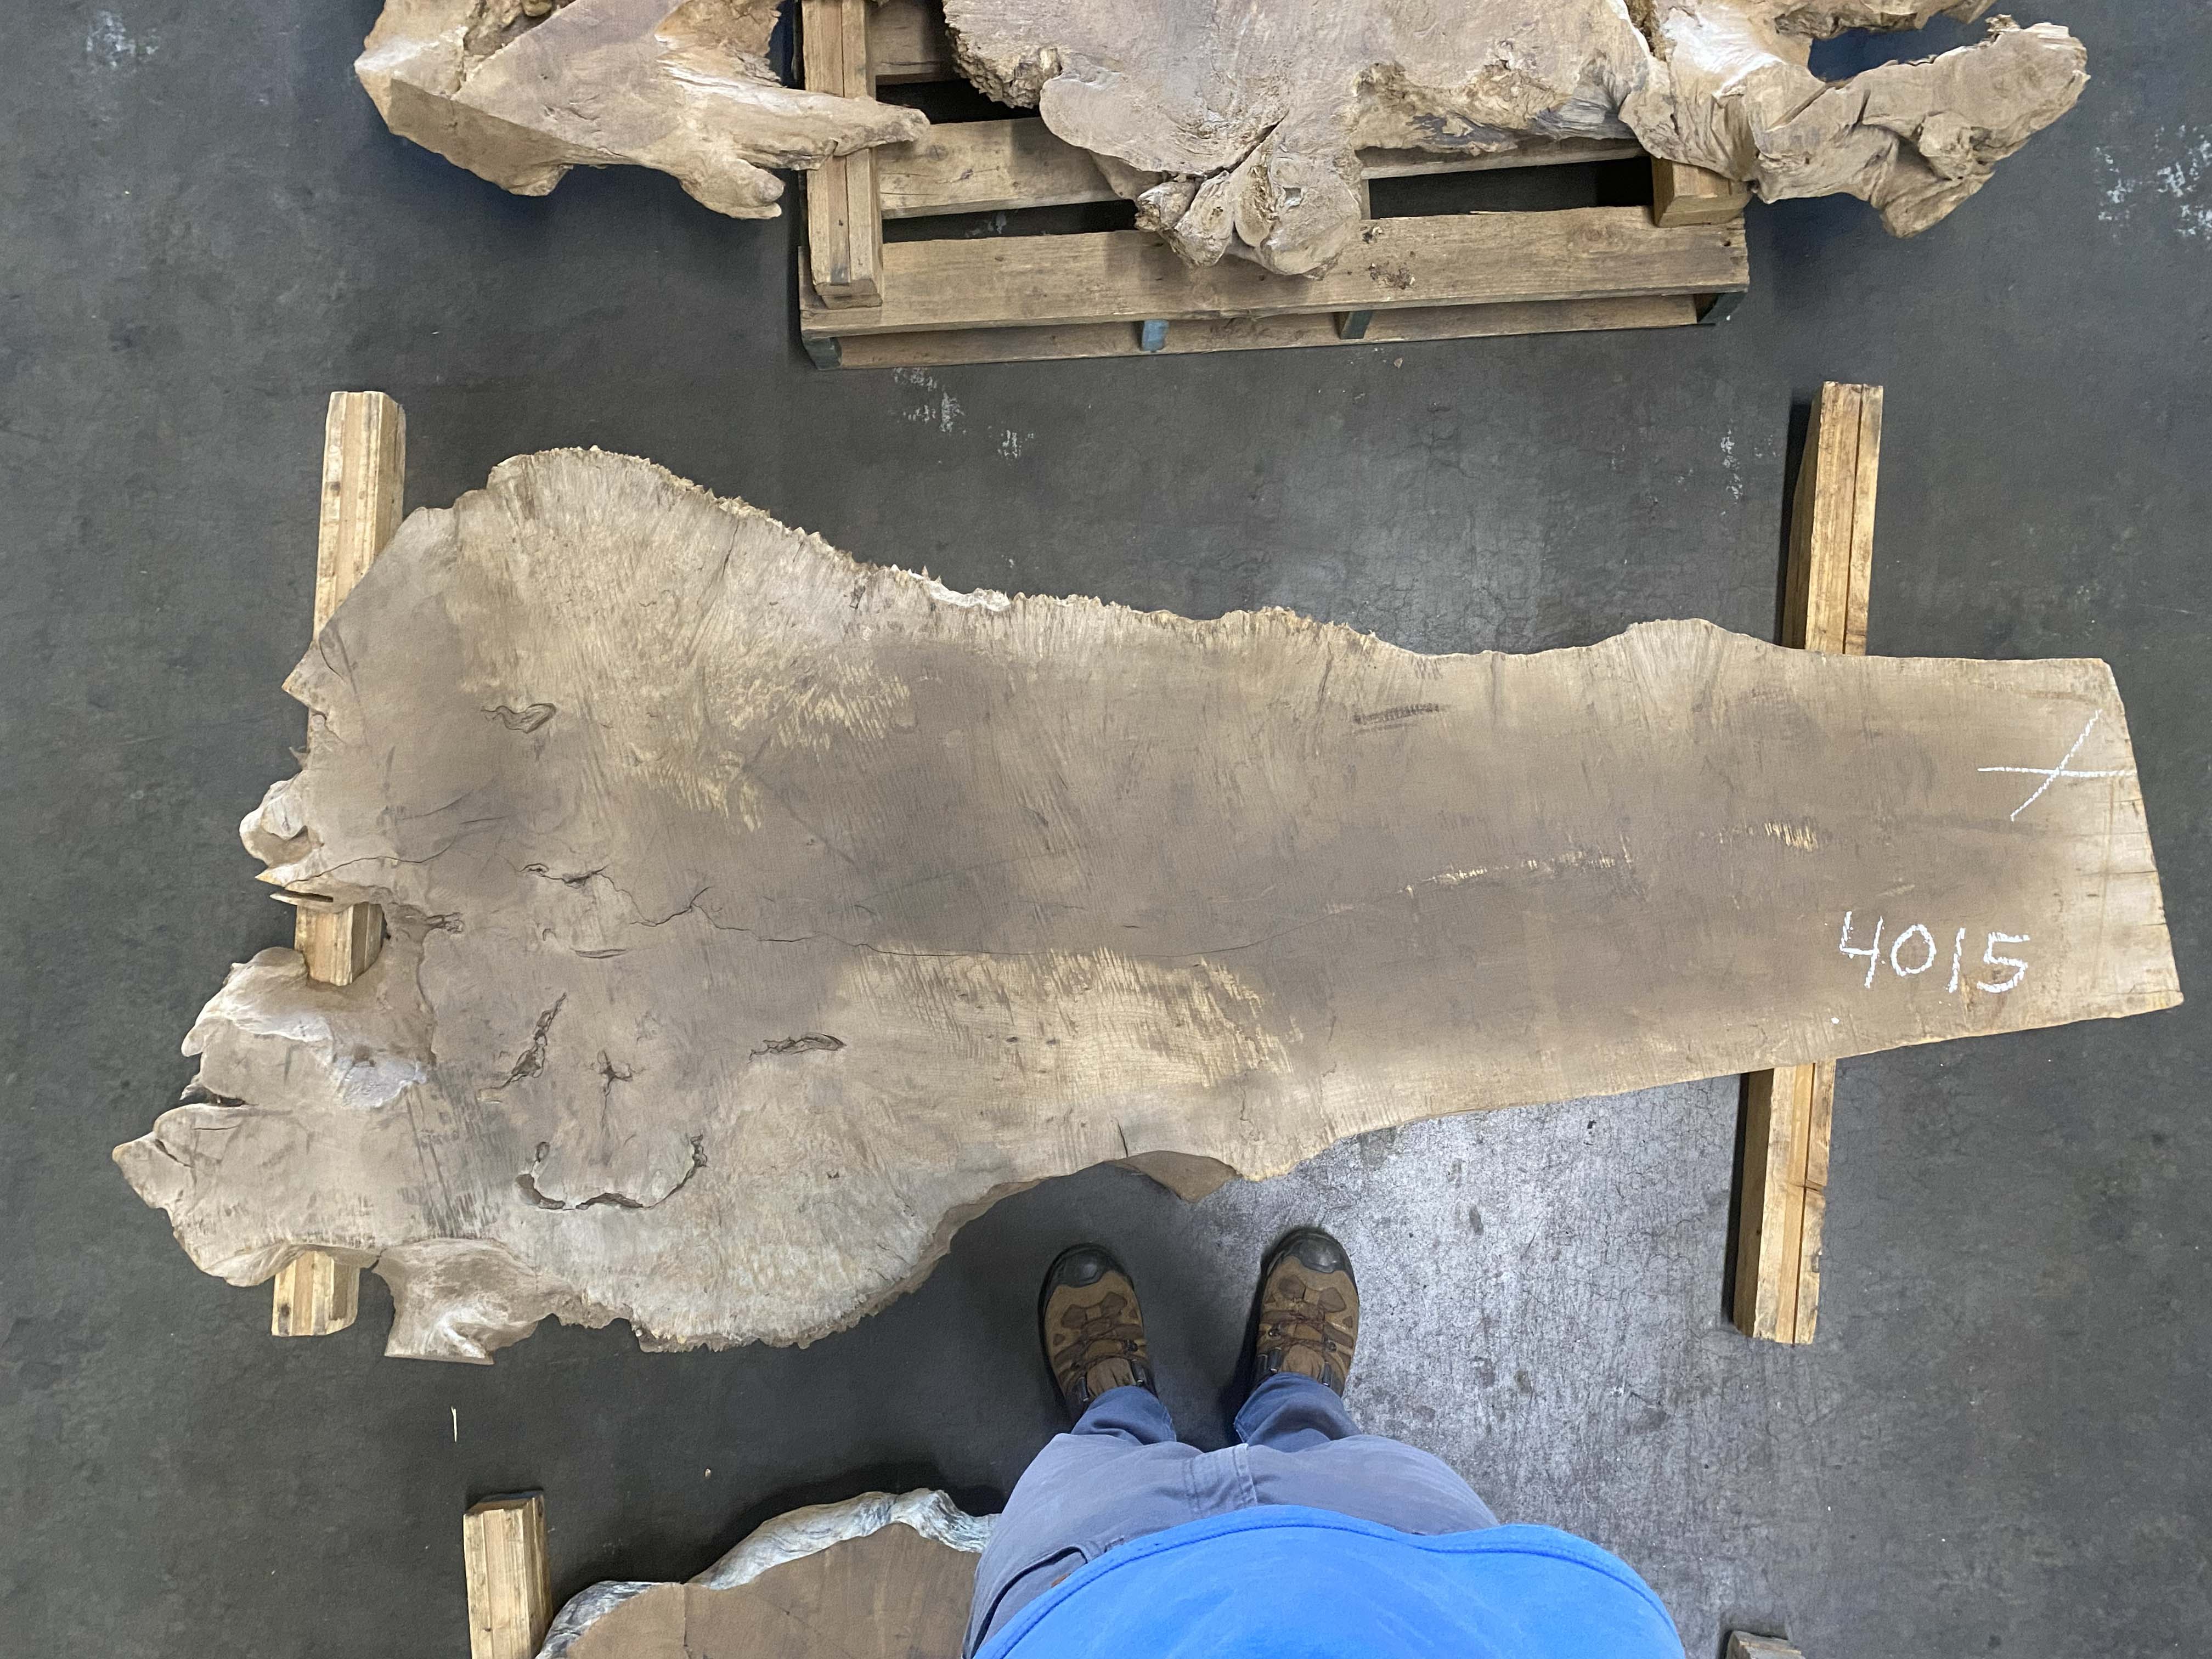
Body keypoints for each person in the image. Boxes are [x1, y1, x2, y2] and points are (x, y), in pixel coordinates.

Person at [967, 1228, 1685, 1658]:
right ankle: (1295, 1398)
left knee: (1094, 1472)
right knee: (1330, 1457)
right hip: (1420, 1581)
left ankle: (1115, 1409)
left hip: (1096, 1610)